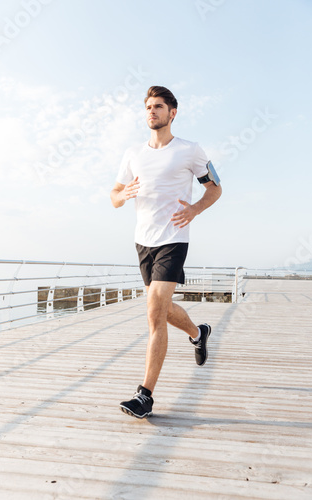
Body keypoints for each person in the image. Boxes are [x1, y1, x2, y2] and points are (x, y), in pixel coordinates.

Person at [110, 86, 222, 418]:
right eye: (148, 107)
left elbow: (215, 186)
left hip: (174, 238)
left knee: (154, 314)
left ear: (173, 112)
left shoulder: (190, 150)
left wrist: (196, 209)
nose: (151, 111)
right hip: (143, 240)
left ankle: (144, 395)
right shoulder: (133, 153)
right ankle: (197, 332)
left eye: (158, 106)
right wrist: (124, 193)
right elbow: (114, 195)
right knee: (161, 307)